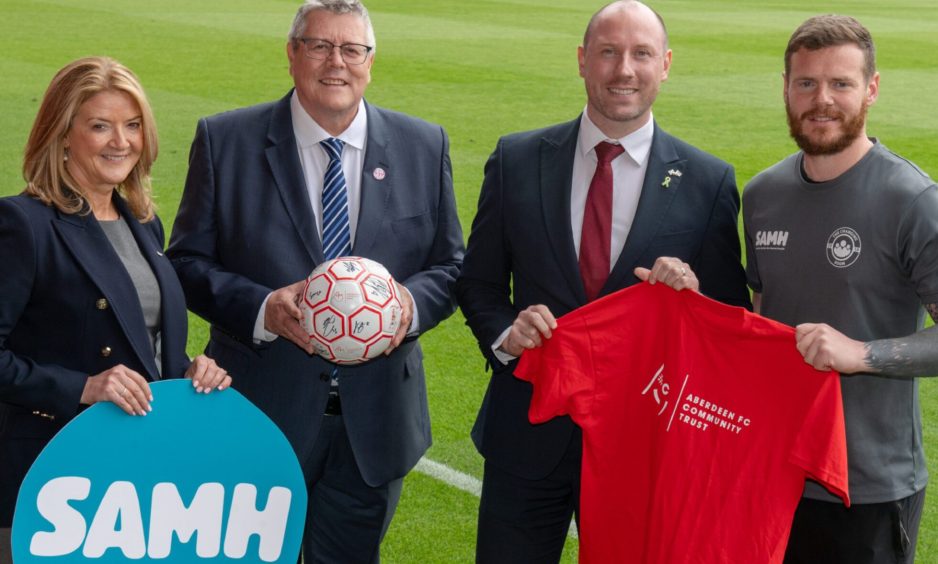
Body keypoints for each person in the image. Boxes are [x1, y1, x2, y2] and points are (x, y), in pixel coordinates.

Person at [166, 1, 464, 562]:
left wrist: (405, 308)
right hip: (258, 410)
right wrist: (262, 309)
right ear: (292, 54)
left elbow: (451, 267)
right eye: (320, 46)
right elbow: (184, 263)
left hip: (375, 425)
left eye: (352, 49)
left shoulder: (424, 145)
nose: (337, 62)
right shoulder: (225, 141)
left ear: (370, 61)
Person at [455, 1, 750, 561]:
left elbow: (728, 320)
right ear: (582, 61)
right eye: (609, 52)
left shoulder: (707, 181)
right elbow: (478, 283)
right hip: (526, 435)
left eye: (641, 54)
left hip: (643, 447)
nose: (624, 70)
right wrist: (506, 337)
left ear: (665, 64)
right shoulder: (517, 158)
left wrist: (693, 296)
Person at [0, 56, 231, 562]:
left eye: (131, 126)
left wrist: (189, 369)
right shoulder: (23, 224)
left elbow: (137, 337)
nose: (120, 142)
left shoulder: (144, 225)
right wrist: (82, 386)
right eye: (99, 126)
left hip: (131, 479)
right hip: (48, 479)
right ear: (62, 136)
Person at [743, 14, 938, 564]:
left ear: (871, 89)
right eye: (806, 83)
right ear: (785, 88)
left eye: (841, 84)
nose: (821, 99)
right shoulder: (761, 196)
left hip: (869, 484)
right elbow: (758, 315)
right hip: (776, 472)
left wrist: (861, 354)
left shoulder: (913, 200)